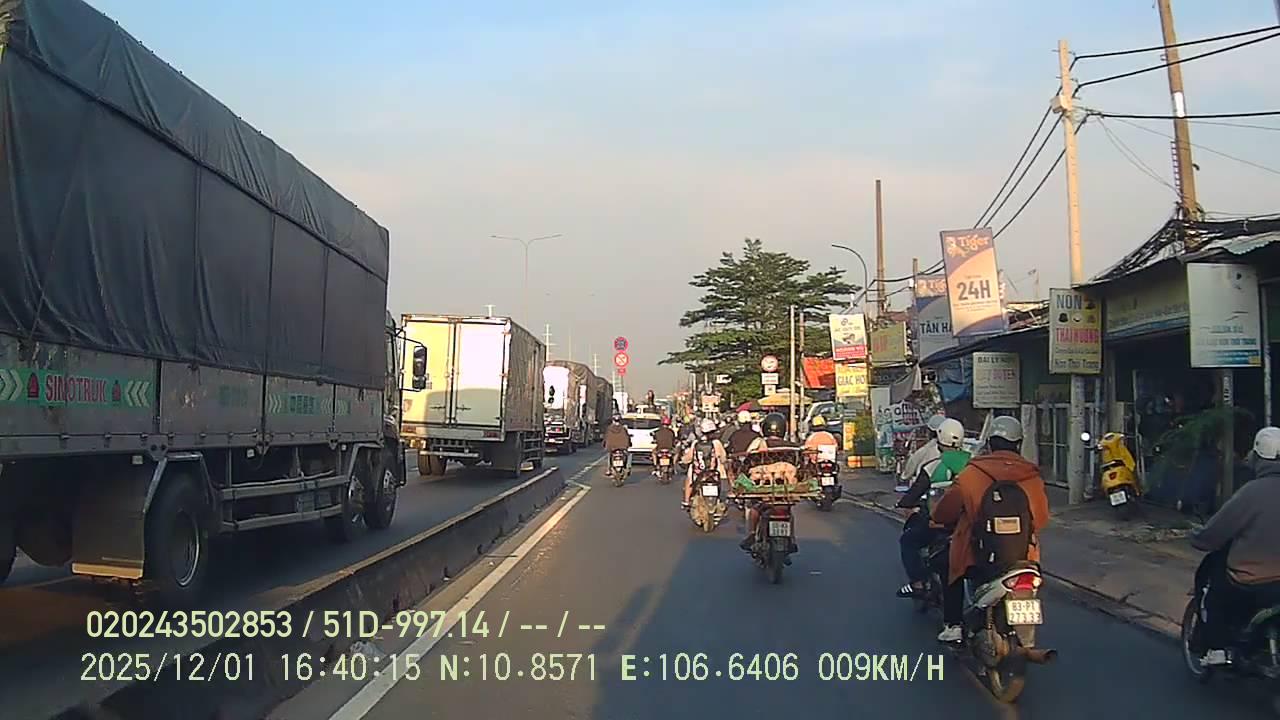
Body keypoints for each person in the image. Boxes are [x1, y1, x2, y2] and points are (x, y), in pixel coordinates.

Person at [930, 416, 1050, 643]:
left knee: (948, 565)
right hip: (1022, 556)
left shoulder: (972, 473)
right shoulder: (1032, 476)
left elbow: (944, 512)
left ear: (989, 444)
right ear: (1018, 444)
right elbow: (1041, 519)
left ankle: (953, 624)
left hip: (976, 555)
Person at [1189, 426, 1280, 666]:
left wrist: (1197, 537)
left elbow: (1218, 530)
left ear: (1258, 457)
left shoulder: (1251, 493)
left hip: (1254, 579)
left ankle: (1218, 649)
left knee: (1216, 591)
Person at [895, 418, 968, 599]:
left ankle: (917, 583)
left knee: (907, 541)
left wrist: (903, 503)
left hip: (939, 524)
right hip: (968, 523)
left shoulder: (933, 466)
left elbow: (914, 493)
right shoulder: (973, 463)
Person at [739, 413, 796, 549]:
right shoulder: (793, 448)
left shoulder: (758, 448)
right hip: (784, 492)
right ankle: (792, 539)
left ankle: (752, 534)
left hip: (762, 490)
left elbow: (747, 466)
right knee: (788, 512)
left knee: (754, 509)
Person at [682, 418, 727, 509]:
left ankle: (686, 501)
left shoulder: (696, 443)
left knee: (689, 480)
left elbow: (688, 458)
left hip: (698, 473)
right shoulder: (717, 443)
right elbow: (723, 457)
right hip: (714, 473)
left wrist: (683, 460)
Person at [898, 414, 948, 492]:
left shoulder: (927, 448)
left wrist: (904, 476)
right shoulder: (959, 448)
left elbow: (912, 462)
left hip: (926, 486)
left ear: (931, 431)